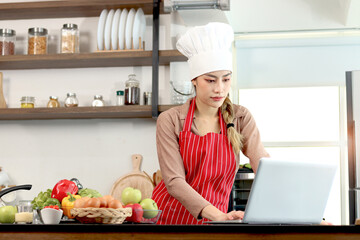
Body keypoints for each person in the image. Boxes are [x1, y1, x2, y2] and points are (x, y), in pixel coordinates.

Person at [152, 22, 270, 225]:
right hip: (170, 221)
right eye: (211, 80)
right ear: (194, 80)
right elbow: (174, 181)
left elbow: (263, 164)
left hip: (216, 224)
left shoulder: (241, 117)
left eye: (226, 79)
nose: (220, 89)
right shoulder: (170, 120)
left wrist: (303, 214)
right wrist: (219, 216)